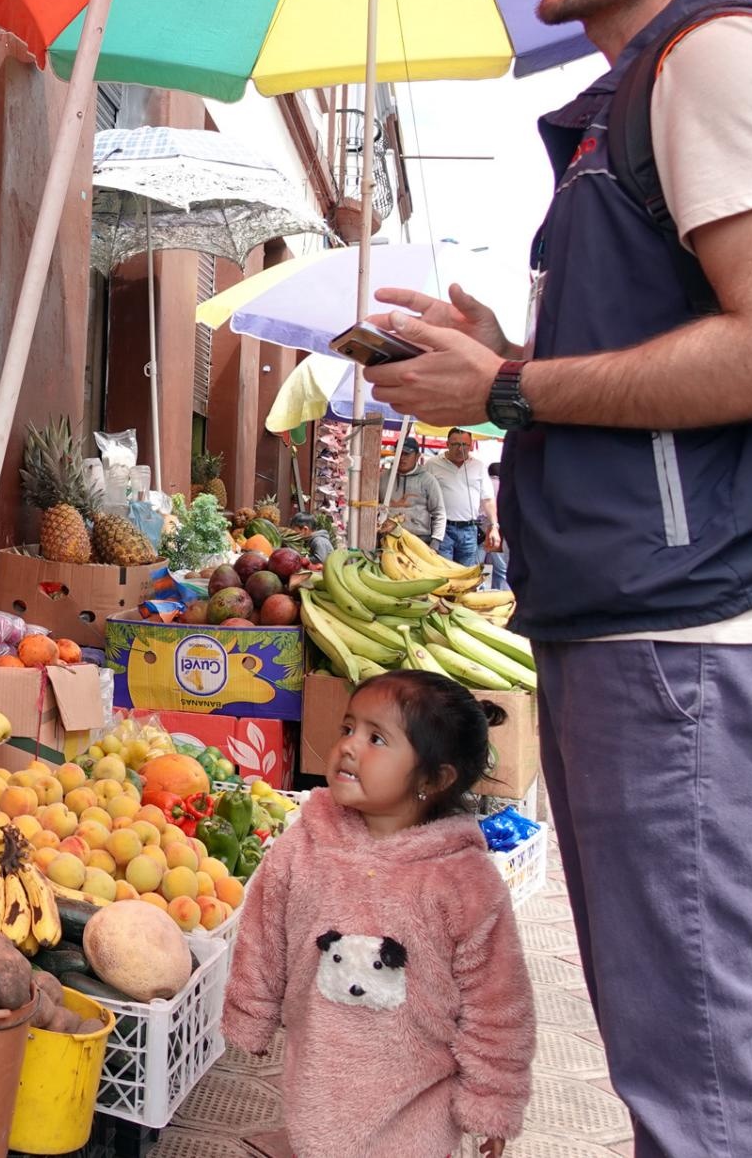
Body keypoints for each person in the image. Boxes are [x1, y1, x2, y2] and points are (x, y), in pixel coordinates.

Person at [366, 0, 752, 1158]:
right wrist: (503, 353)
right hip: (645, 620)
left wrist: (512, 387)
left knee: (701, 1071)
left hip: (693, 626)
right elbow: (674, 358)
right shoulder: (642, 95)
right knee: (672, 1047)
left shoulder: (722, 60)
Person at [222, 671, 534, 1158]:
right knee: (320, 1140)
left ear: (433, 778)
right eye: (348, 728)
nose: (348, 747)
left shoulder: (463, 881)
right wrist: (251, 1014)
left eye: (376, 738)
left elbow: (497, 1004)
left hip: (418, 1093)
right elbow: (263, 937)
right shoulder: (303, 847)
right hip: (320, 1070)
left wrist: (492, 1100)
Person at [423, 427, 496, 571]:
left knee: (466, 575)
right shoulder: (432, 464)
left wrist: (494, 526)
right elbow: (422, 495)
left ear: (471, 445)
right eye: (455, 444)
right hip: (441, 529)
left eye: (464, 445)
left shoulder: (478, 466)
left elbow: (488, 499)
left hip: (469, 529)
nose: (460, 449)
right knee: (444, 574)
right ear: (447, 444)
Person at [384, 438, 445, 545]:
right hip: (388, 538)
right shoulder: (383, 478)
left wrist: (436, 541)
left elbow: (439, 513)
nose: (402, 458)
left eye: (406, 454)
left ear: (417, 456)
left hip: (420, 540)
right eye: (399, 453)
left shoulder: (428, 480)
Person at [484, 463, 509, 591]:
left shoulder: (485, 484)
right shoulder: (505, 486)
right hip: (498, 530)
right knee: (500, 570)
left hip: (479, 529)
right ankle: (499, 593)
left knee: (476, 565)